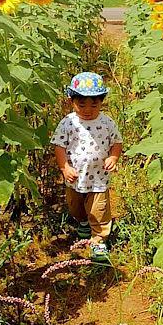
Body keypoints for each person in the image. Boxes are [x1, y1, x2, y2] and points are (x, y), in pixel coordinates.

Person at [51, 72, 123, 260]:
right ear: (72, 101)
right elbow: (59, 146)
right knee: (75, 207)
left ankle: (98, 240)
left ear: (102, 102)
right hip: (75, 177)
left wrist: (113, 157)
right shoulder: (68, 122)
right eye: (81, 104)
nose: (88, 109)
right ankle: (83, 222)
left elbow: (117, 142)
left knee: (98, 210)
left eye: (94, 104)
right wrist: (65, 168)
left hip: (99, 177)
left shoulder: (107, 122)